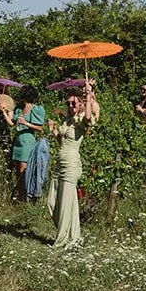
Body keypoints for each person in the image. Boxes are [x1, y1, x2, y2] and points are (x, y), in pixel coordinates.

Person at [47, 81, 100, 250]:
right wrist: (54, 130)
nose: (70, 106)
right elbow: (61, 140)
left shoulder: (80, 121)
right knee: (52, 201)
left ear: (80, 103)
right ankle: (70, 234)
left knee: (66, 203)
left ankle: (64, 239)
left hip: (71, 165)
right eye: (68, 103)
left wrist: (89, 95)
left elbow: (87, 117)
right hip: (59, 163)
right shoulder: (67, 120)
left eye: (73, 103)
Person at [4, 90, 44, 201]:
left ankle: (27, 196)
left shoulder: (36, 109)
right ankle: (20, 195)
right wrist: (4, 112)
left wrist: (26, 123)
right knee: (17, 171)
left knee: (24, 171)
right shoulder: (19, 108)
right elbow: (12, 123)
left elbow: (40, 128)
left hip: (27, 141)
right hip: (17, 141)